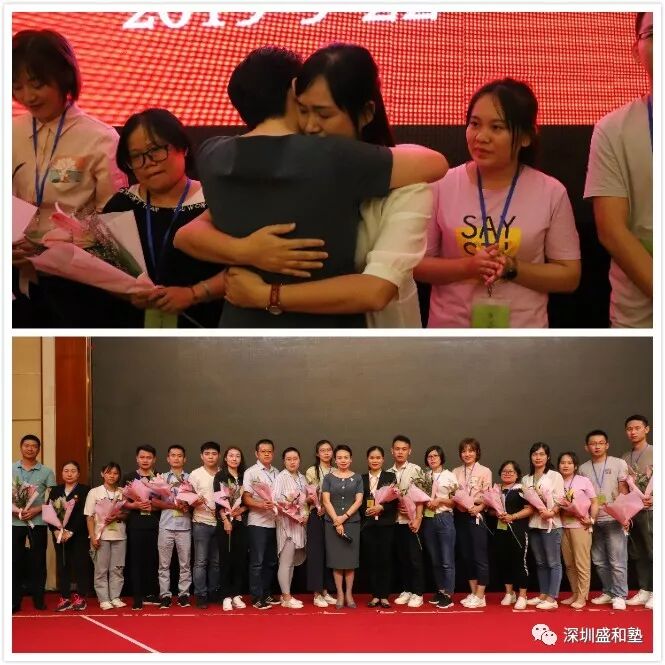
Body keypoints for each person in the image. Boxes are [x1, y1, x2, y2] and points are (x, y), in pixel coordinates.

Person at [176, 45, 447, 328]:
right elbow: (191, 232)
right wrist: (247, 250)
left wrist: (265, 294)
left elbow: (375, 291)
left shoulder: (396, 183)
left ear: (367, 112)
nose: (310, 126)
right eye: (303, 110)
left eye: (324, 114)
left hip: (367, 339)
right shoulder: (316, 162)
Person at [415, 78, 581, 328]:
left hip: (523, 334)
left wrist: (513, 268)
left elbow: (569, 276)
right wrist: (468, 267)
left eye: (497, 127)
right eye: (474, 124)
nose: (481, 137)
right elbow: (417, 266)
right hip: (451, 333)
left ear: (526, 137)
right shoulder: (441, 184)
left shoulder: (551, 192)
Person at [12, 29, 127, 327]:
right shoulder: (9, 132)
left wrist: (52, 248)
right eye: (17, 87)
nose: (27, 97)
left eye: (37, 84)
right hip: (14, 276)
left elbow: (114, 220)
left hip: (75, 281)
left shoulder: (100, 138)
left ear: (64, 77)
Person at [102, 108, 225, 328]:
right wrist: (127, 294)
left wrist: (193, 294)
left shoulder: (216, 202)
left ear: (182, 147)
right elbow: (103, 270)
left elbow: (243, 269)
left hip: (204, 325)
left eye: (156, 150)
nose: (148, 162)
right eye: (136, 156)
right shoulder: (121, 204)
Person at [584, 13, 653, 328]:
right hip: (640, 319)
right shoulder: (613, 129)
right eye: (652, 33)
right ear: (636, 50)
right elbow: (611, 230)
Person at [578, 429, 630, 610]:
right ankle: (608, 592)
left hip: (614, 518)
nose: (597, 446)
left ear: (607, 445)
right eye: (593, 443)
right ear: (586, 447)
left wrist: (623, 514)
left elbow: (624, 489)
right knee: (599, 561)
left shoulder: (618, 463)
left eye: (601, 443)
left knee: (617, 561)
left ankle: (620, 595)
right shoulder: (583, 468)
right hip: (593, 520)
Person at [12, 434, 56, 612]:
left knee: (38, 561)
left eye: (34, 446)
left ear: (38, 449)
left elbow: (53, 499)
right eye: (27, 445)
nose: (30, 448)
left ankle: (39, 599)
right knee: (14, 561)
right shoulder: (9, 469)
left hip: (38, 522)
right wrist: (15, 510)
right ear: (21, 447)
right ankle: (13, 601)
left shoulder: (46, 471)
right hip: (14, 523)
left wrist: (37, 510)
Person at [522, 442, 564, 610]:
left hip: (551, 524)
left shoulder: (555, 476)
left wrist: (551, 512)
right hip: (533, 524)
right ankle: (543, 594)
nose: (538, 457)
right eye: (535, 454)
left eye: (541, 454)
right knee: (540, 562)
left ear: (548, 457)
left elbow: (561, 499)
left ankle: (552, 598)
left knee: (553, 562)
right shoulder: (526, 478)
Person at [150, 445, 192, 609]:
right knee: (164, 564)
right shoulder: (161, 478)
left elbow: (195, 501)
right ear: (168, 459)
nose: (176, 458)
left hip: (185, 526)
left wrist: (188, 504)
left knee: (185, 564)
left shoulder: (190, 478)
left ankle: (184, 595)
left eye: (179, 455)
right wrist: (173, 506)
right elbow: (154, 501)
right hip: (166, 526)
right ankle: (165, 595)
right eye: (173, 455)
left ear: (184, 459)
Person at [321, 445, 364, 608]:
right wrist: (336, 520)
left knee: (350, 562)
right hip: (331, 523)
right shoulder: (328, 478)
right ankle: (339, 594)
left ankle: (349, 594)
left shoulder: (358, 478)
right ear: (335, 460)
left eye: (346, 457)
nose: (343, 460)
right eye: (339, 458)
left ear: (351, 459)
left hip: (352, 522)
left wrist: (344, 518)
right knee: (337, 561)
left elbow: (359, 501)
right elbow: (326, 501)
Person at [452, 438, 491, 608]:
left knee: (479, 555)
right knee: (466, 555)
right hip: (461, 515)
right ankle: (473, 592)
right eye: (464, 451)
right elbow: (453, 494)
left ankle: (481, 595)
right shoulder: (455, 471)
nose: (467, 454)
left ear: (477, 452)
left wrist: (479, 507)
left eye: (471, 450)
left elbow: (488, 496)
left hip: (477, 515)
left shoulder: (485, 471)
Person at [121, 444, 160, 610]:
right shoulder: (129, 477)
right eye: (142, 457)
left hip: (154, 524)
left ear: (154, 459)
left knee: (153, 560)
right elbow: (122, 502)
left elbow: (165, 502)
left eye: (149, 457)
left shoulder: (158, 478)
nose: (145, 460)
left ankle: (151, 594)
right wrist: (135, 505)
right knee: (135, 561)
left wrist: (153, 506)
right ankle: (137, 596)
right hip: (135, 524)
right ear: (137, 459)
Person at [48, 460, 91, 611]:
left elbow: (84, 513)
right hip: (59, 534)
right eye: (66, 471)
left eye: (73, 471)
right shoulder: (56, 490)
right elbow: (49, 511)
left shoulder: (85, 490)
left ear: (78, 474)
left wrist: (71, 531)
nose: (69, 474)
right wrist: (55, 530)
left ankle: (81, 597)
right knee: (62, 565)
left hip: (79, 535)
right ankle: (65, 597)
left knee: (80, 565)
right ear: (61, 473)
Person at [388, 435, 425, 607]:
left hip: (412, 521)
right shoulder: (388, 472)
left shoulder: (415, 469)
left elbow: (421, 497)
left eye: (404, 449)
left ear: (409, 451)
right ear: (392, 451)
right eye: (397, 449)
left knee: (415, 559)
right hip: (396, 522)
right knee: (402, 558)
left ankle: (418, 593)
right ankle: (407, 589)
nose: (400, 452)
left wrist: (418, 518)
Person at [84, 462, 127, 610]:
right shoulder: (94, 492)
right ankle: (103, 599)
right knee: (101, 569)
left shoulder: (122, 492)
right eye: (109, 473)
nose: (112, 476)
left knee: (117, 568)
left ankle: (115, 597)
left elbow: (127, 514)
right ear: (102, 474)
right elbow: (89, 517)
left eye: (115, 473)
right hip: (100, 535)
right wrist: (93, 536)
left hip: (119, 536)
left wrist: (117, 516)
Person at [557, 451, 597, 609]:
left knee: (582, 563)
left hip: (581, 526)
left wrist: (592, 519)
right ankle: (574, 593)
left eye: (569, 463)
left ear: (575, 466)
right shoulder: (556, 481)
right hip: (563, 526)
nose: (565, 465)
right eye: (562, 463)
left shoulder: (583, 481)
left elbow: (594, 502)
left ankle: (582, 596)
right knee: (569, 564)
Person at [242, 439, 280, 610]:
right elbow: (246, 498)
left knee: (271, 561)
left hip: (275, 523)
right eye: (263, 451)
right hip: (257, 523)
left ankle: (266, 593)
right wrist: (260, 504)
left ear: (273, 453)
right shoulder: (251, 472)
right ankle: (256, 597)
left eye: (269, 451)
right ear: (256, 454)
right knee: (257, 562)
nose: (266, 454)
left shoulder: (277, 472)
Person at [492, 460, 533, 611]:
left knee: (520, 562)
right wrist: (497, 513)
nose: (507, 474)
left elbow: (530, 509)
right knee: (504, 561)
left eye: (511, 471)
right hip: (501, 530)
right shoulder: (495, 489)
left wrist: (513, 516)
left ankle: (522, 595)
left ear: (517, 474)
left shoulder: (522, 489)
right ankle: (510, 593)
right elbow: (490, 510)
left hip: (518, 529)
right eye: (504, 471)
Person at [622, 414, 653, 608]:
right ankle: (644, 589)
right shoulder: (625, 457)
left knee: (654, 551)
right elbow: (624, 486)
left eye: (637, 428)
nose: (633, 432)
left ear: (646, 429)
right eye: (629, 429)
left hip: (652, 508)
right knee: (638, 552)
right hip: (634, 511)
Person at [360, 446, 397, 608]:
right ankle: (375, 595)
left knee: (385, 560)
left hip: (385, 524)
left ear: (383, 459)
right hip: (368, 525)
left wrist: (382, 507)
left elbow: (395, 500)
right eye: (372, 458)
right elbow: (358, 501)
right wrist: (367, 510)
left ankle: (384, 595)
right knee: (372, 560)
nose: (375, 460)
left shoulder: (390, 476)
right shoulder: (361, 478)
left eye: (378, 458)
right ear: (367, 459)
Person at [420, 446, 457, 609]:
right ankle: (440, 590)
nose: (432, 459)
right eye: (429, 456)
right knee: (435, 559)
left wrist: (440, 500)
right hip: (428, 519)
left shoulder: (450, 476)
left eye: (435, 456)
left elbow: (456, 501)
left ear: (441, 458)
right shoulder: (424, 476)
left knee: (446, 559)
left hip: (444, 518)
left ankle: (448, 594)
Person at [273, 447, 309, 608]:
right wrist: (290, 511)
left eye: (295, 459)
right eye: (288, 459)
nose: (292, 462)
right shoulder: (281, 478)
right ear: (284, 461)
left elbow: (306, 502)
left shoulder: (302, 478)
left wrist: (305, 515)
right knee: (285, 561)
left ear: (299, 460)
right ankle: (287, 598)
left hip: (300, 525)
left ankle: (285, 595)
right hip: (286, 525)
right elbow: (275, 502)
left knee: (292, 562)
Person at [214, 446, 248, 611]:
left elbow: (248, 501)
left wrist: (241, 509)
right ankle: (226, 596)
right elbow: (218, 501)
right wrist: (225, 521)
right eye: (231, 456)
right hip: (225, 524)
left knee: (239, 559)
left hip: (241, 522)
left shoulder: (244, 477)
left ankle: (236, 594)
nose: (234, 459)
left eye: (237, 456)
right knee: (226, 560)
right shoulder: (220, 476)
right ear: (226, 458)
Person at [189, 441, 221, 608]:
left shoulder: (223, 473)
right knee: (200, 561)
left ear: (219, 456)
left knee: (216, 562)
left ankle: (214, 591)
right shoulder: (195, 474)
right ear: (201, 456)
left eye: (214, 454)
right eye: (207, 454)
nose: (210, 457)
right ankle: (201, 594)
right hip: (201, 522)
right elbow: (187, 498)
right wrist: (194, 501)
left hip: (220, 523)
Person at [304, 440, 336, 607]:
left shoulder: (337, 470)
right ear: (317, 453)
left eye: (329, 450)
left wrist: (327, 507)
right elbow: (310, 494)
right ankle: (316, 593)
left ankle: (326, 590)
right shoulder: (312, 470)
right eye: (322, 450)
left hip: (332, 515)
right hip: (316, 514)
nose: (326, 453)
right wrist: (319, 505)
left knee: (330, 553)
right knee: (316, 553)